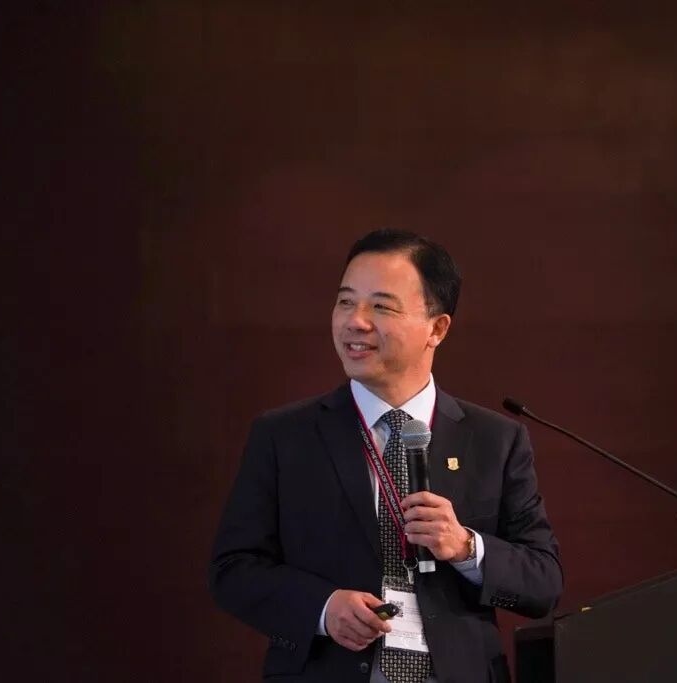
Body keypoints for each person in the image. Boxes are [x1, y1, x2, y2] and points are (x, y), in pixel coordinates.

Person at [209, 229, 562, 683]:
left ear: (437, 328)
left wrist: (465, 547)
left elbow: (543, 583)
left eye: (381, 307)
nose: (355, 322)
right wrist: (322, 608)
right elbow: (233, 570)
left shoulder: (496, 439)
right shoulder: (285, 436)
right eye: (345, 302)